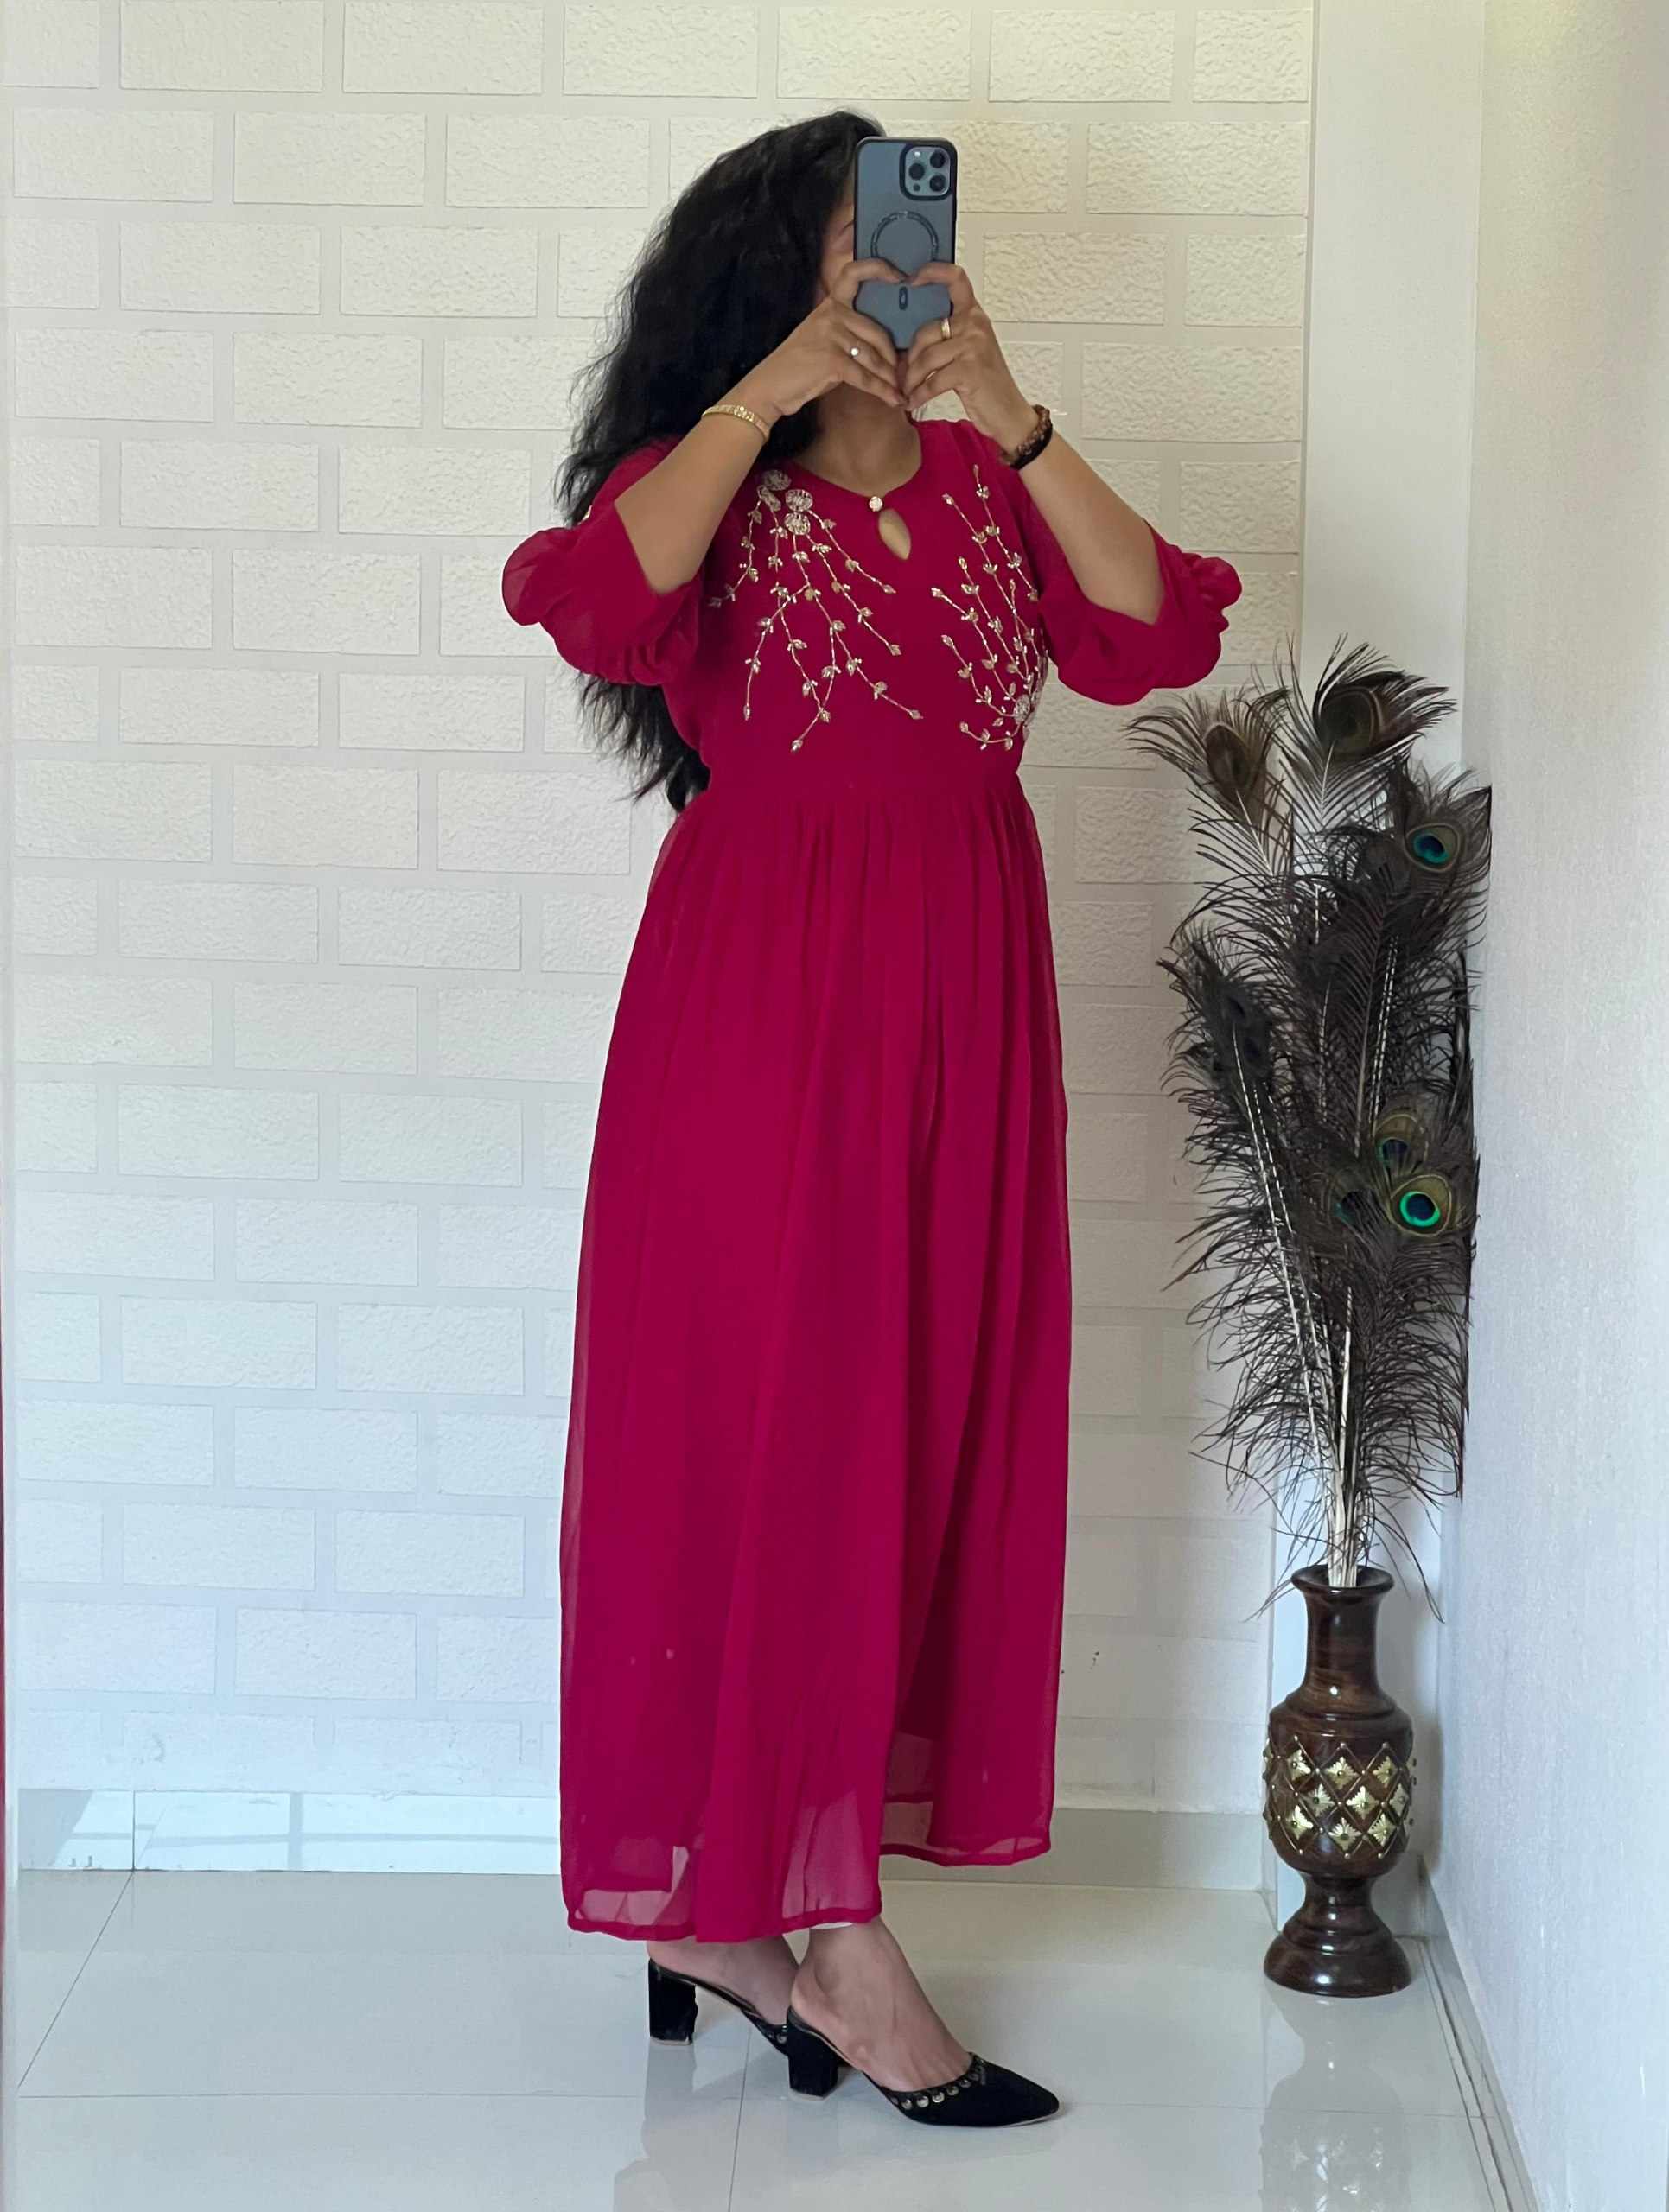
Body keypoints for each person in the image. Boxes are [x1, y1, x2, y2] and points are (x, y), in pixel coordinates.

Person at [502, 111, 1240, 2130]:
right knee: (773, 1435)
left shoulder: (992, 482)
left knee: (918, 1425)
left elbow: (1159, 629)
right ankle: (818, 1930)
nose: (894, 272)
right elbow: (594, 601)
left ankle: (737, 1922)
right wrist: (760, 396)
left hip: (966, 1017)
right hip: (759, 1027)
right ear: (774, 271)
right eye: (852, 242)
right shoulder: (710, 482)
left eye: (907, 238)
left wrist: (1014, 411)